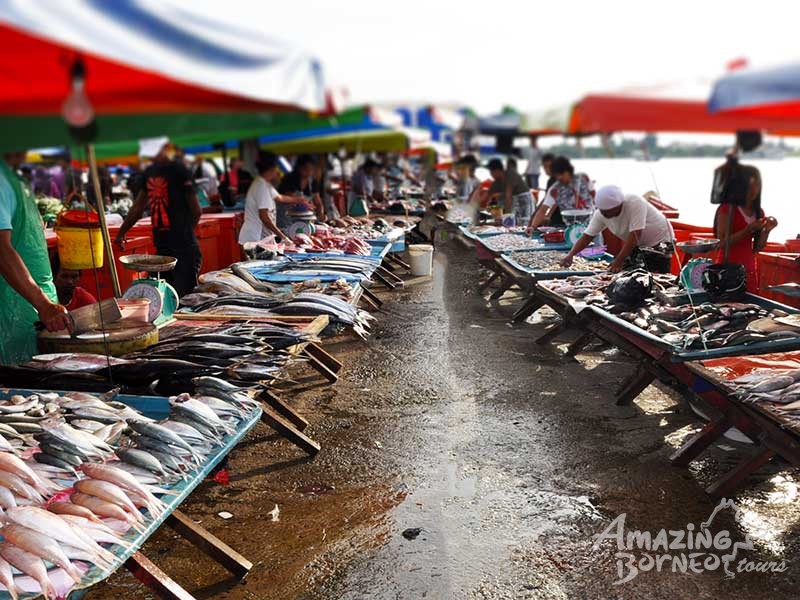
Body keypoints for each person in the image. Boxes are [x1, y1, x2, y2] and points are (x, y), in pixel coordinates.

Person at [0, 151, 71, 365]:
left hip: (35, 305)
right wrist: (43, 304)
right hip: (12, 305)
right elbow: (2, 250)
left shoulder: (16, 180)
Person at [114, 141, 202, 297]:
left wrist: (185, 233)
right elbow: (137, 208)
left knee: (185, 299)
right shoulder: (149, 172)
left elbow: (196, 211)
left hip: (184, 249)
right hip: (162, 248)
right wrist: (121, 233)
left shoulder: (180, 171)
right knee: (163, 297)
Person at [560, 185, 675, 273]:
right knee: (629, 272)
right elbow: (587, 236)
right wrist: (571, 255)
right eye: (603, 211)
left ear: (620, 205)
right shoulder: (600, 214)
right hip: (639, 244)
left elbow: (635, 235)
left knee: (654, 272)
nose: (605, 215)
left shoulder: (633, 202)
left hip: (662, 239)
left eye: (608, 211)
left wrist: (618, 261)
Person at [713, 165, 777, 291]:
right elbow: (721, 243)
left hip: (749, 270)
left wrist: (767, 231)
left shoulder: (759, 212)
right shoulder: (727, 208)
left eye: (756, 185)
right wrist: (748, 230)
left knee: (751, 306)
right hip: (727, 269)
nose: (753, 190)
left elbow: (757, 247)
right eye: (749, 186)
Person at [239, 152, 312, 244]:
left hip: (263, 238)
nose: (277, 172)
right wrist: (282, 236)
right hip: (255, 238)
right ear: (272, 169)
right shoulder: (261, 186)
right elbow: (264, 217)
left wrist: (300, 200)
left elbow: (280, 198)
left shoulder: (265, 184)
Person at [527, 156, 594, 232]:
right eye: (557, 175)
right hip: (570, 229)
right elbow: (542, 210)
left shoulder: (583, 178)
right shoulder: (555, 189)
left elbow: (594, 195)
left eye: (562, 174)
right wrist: (532, 226)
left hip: (591, 225)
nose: (559, 177)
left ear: (569, 170)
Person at [278, 154, 325, 228]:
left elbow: (318, 202)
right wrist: (306, 204)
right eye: (306, 169)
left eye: (311, 170)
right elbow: (292, 199)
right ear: (299, 168)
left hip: (304, 220)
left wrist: (321, 215)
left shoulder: (312, 182)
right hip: (286, 218)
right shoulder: (289, 179)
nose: (309, 173)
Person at [486, 158, 533, 225]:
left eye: (491, 172)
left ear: (497, 171)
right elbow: (490, 196)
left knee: (524, 223)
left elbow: (508, 197)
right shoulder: (496, 182)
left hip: (524, 200)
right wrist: (489, 206)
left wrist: (506, 217)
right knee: (514, 222)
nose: (491, 175)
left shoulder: (510, 174)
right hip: (514, 202)